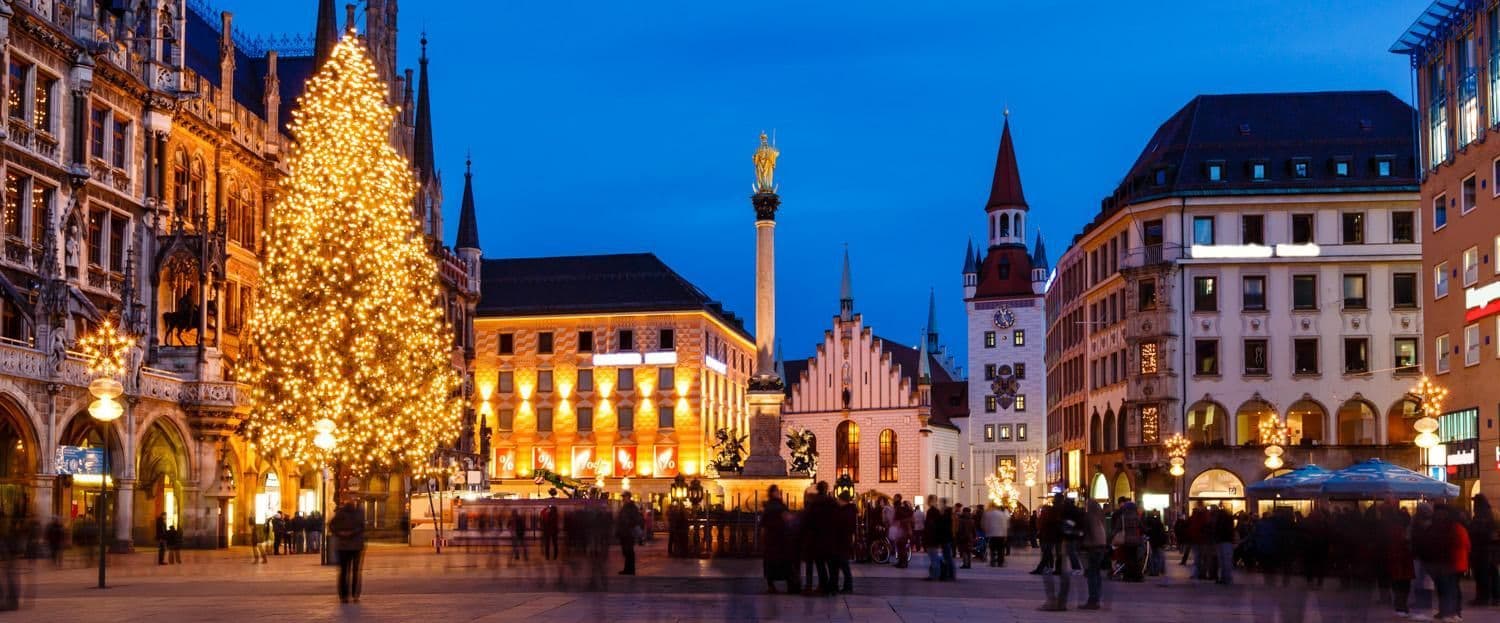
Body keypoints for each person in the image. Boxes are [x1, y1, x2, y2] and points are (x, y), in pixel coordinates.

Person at [759, 485, 799, 593]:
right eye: (777, 491)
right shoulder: (780, 506)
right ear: (774, 493)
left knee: (770, 563)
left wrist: (762, 539)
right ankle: (790, 585)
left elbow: (763, 524)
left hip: (770, 539)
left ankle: (771, 585)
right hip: (781, 538)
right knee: (785, 563)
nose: (779, 493)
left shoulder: (768, 507)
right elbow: (787, 518)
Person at [329, 501, 366, 604]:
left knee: (344, 572)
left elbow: (331, 526)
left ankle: (344, 596)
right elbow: (362, 527)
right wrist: (351, 533)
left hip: (344, 547)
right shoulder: (358, 513)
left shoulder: (340, 513)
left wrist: (340, 534)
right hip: (355, 546)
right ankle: (355, 595)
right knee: (355, 572)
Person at [1078, 500, 1107, 610]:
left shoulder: (1089, 517)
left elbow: (1085, 532)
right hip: (1101, 547)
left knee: (1091, 574)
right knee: (1097, 573)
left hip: (1092, 547)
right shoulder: (1101, 517)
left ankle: (1092, 600)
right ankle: (1097, 598)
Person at [1471, 493, 1499, 607]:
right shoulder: (1495, 513)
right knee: (1493, 574)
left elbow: (1478, 532)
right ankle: (1496, 597)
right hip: (1494, 549)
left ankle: (1483, 597)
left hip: (1483, 550)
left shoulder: (1481, 516)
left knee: (1482, 574)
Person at [830, 488, 857, 593]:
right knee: (837, 564)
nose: (837, 501)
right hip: (842, 541)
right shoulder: (848, 510)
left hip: (842, 541)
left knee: (843, 565)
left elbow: (842, 525)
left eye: (838, 499)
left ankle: (848, 587)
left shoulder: (846, 511)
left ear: (843, 500)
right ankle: (837, 585)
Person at [615, 491, 643, 575]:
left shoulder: (632, 507)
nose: (623, 498)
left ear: (628, 497)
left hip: (628, 532)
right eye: (622, 497)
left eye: (624, 497)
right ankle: (627, 569)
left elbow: (635, 519)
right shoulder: (625, 507)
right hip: (624, 532)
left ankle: (630, 570)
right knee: (626, 551)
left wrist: (628, 524)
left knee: (629, 551)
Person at [956, 505, 976, 570]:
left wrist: (958, 536)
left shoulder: (961, 520)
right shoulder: (972, 520)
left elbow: (960, 529)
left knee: (964, 551)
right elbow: (974, 530)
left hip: (963, 537)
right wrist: (974, 537)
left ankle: (965, 564)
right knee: (969, 551)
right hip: (970, 537)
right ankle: (969, 564)